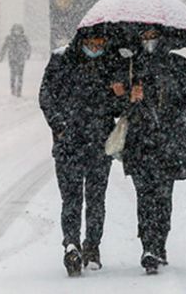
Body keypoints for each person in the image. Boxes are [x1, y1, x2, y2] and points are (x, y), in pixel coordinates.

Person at [112, 25, 186, 274]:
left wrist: (180, 136)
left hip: (168, 144)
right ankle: (148, 247)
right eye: (144, 36)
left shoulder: (179, 66)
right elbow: (117, 108)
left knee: (163, 198)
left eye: (153, 36)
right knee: (145, 196)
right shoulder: (130, 67)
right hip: (140, 144)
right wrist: (128, 98)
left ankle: (159, 242)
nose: (149, 41)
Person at [39, 26, 121, 277]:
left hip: (99, 143)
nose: (96, 48)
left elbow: (118, 108)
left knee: (96, 200)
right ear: (82, 39)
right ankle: (71, 245)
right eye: (92, 43)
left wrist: (118, 94)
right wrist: (60, 126)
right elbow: (46, 95)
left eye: (100, 44)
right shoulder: (62, 60)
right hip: (69, 144)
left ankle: (92, 247)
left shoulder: (111, 61)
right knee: (72, 199)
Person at [0, 24, 31, 97]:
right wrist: (2, 55)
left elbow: (28, 47)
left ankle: (19, 91)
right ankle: (13, 90)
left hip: (21, 59)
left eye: (18, 30)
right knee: (13, 74)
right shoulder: (9, 38)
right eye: (15, 30)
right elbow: (4, 47)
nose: (17, 32)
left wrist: (28, 54)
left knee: (20, 75)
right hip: (12, 59)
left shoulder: (24, 38)